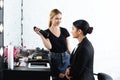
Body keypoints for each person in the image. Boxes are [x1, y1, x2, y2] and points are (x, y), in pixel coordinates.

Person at [34, 9, 72, 80]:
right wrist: (41, 35)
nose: (59, 21)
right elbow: (49, 47)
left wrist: (73, 57)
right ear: (51, 19)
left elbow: (69, 46)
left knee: (68, 78)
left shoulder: (64, 30)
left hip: (66, 58)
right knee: (57, 77)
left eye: (60, 18)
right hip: (54, 60)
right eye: (56, 18)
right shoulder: (46, 32)